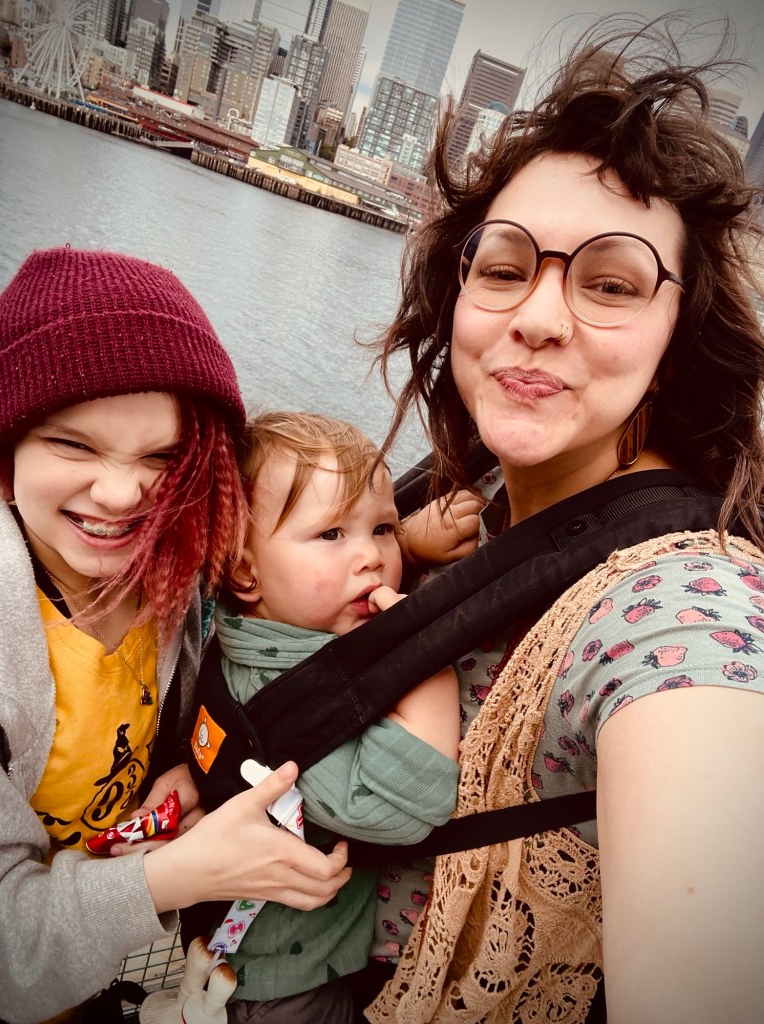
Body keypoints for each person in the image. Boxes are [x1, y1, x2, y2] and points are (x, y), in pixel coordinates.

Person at [356, 15, 764, 1024]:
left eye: (612, 284)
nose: (537, 315)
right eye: (503, 267)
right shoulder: (466, 493)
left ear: (678, 339)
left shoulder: (686, 600)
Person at [0, 248, 352, 1024]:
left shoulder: (173, 562)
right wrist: (177, 875)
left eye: (161, 457)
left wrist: (407, 540)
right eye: (73, 444)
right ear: (7, 440)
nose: (121, 493)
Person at [199, 410, 464, 1024]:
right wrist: (429, 673)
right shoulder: (289, 701)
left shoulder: (259, 634)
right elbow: (387, 811)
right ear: (244, 570)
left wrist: (413, 544)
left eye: (382, 529)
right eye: (331, 536)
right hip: (281, 986)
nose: (372, 559)